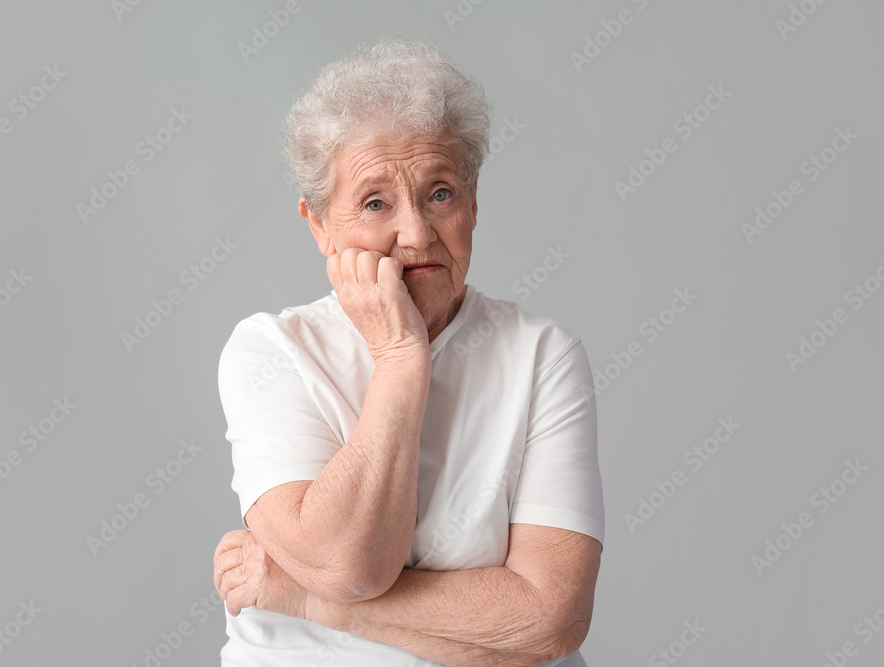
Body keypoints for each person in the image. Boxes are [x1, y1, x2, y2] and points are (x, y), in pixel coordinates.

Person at [213, 36, 604, 667]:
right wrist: (400, 358)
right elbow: (349, 566)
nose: (417, 234)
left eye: (440, 193)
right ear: (319, 224)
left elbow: (549, 622)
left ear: (473, 203)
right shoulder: (270, 352)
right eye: (375, 203)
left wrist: (303, 598)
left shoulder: (543, 355)